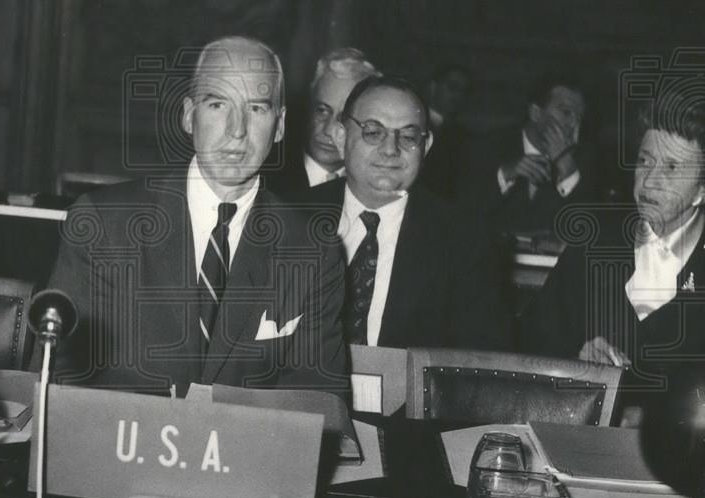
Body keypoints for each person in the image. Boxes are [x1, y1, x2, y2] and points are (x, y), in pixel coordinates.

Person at [47, 36, 349, 398]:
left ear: (281, 125)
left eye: (256, 109)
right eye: (218, 104)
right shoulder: (104, 225)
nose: (237, 131)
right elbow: (58, 383)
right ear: (189, 115)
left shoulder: (314, 250)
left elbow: (318, 403)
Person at [521, 94, 705, 421]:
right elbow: (531, 347)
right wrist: (576, 363)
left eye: (673, 167)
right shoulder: (593, 246)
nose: (649, 181)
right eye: (645, 160)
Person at [302, 75, 511, 350]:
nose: (391, 149)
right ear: (341, 137)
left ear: (426, 146)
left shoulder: (465, 241)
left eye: (409, 137)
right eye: (373, 132)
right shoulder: (290, 217)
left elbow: (480, 364)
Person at [458, 72, 597, 236]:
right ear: (535, 113)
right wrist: (505, 176)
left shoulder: (584, 159)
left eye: (578, 117)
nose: (573, 124)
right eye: (566, 113)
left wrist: (568, 172)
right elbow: (462, 216)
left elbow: (589, 232)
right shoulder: (488, 146)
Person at [266, 47, 379, 194]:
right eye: (322, 111)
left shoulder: (375, 185)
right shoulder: (267, 177)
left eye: (343, 118)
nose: (328, 130)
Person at [419, 63, 472, 198]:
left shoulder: (464, 136)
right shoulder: (414, 123)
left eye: (463, 91)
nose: (457, 96)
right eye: (452, 87)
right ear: (433, 87)